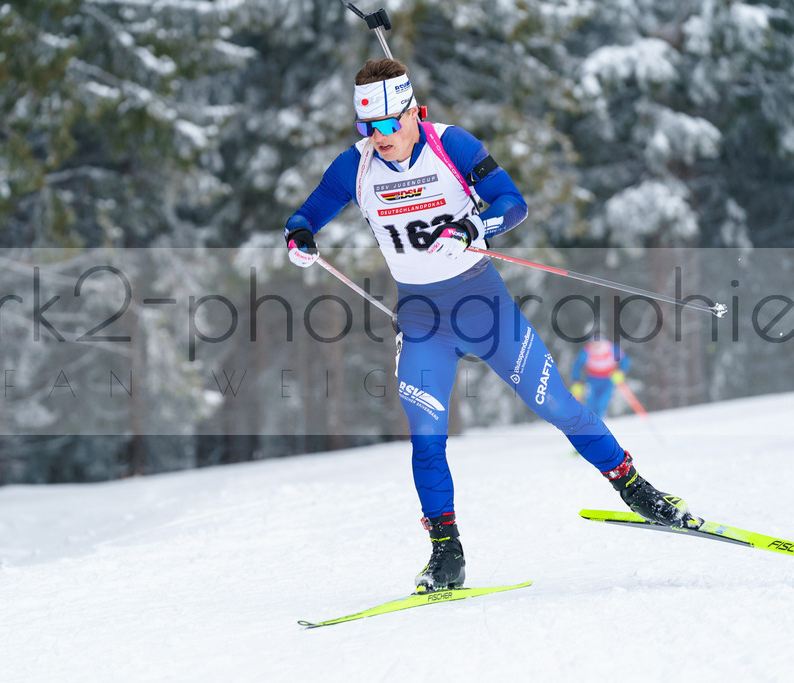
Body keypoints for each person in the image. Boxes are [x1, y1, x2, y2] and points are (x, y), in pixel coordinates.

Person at [283, 58, 696, 593]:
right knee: (427, 439)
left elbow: (513, 203)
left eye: (388, 125)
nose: (379, 138)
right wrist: (299, 238)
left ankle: (636, 489)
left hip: (484, 308)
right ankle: (445, 555)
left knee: (559, 408)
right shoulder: (355, 167)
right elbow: (305, 215)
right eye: (368, 127)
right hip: (423, 321)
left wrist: (473, 224)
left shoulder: (451, 145)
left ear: (412, 112)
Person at [570, 336, 630, 417]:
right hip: (592, 379)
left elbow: (624, 359)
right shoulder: (587, 350)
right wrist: (576, 381)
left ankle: (601, 421)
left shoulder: (611, 347)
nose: (595, 346)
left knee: (602, 402)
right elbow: (577, 365)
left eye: (598, 343)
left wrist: (621, 371)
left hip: (608, 379)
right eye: (593, 344)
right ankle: (591, 422)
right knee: (591, 402)